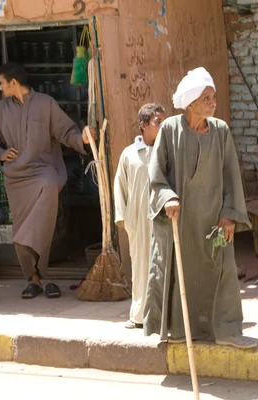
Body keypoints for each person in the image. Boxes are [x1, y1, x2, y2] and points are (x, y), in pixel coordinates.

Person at [143, 67, 257, 349]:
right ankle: (182, 331)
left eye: (213, 96)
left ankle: (227, 330)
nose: (213, 102)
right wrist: (167, 197)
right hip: (181, 220)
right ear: (191, 102)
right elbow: (156, 174)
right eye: (207, 97)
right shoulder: (170, 129)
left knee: (223, 271)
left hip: (216, 221)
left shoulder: (220, 131)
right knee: (182, 275)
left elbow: (231, 174)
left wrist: (230, 213)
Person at [0, 62, 90, 300]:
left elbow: (66, 132)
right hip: (16, 178)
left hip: (44, 171)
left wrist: (83, 139)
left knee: (46, 200)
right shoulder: (0, 110)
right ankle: (34, 280)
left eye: (2, 83)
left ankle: (43, 274)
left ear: (14, 83)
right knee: (23, 227)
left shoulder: (45, 103)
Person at [114, 103, 167, 329]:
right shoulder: (129, 154)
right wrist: (125, 220)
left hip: (162, 217)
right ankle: (139, 316)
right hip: (137, 220)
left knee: (164, 265)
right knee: (141, 266)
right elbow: (120, 186)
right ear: (143, 125)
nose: (163, 127)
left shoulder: (167, 151)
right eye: (158, 122)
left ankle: (165, 316)